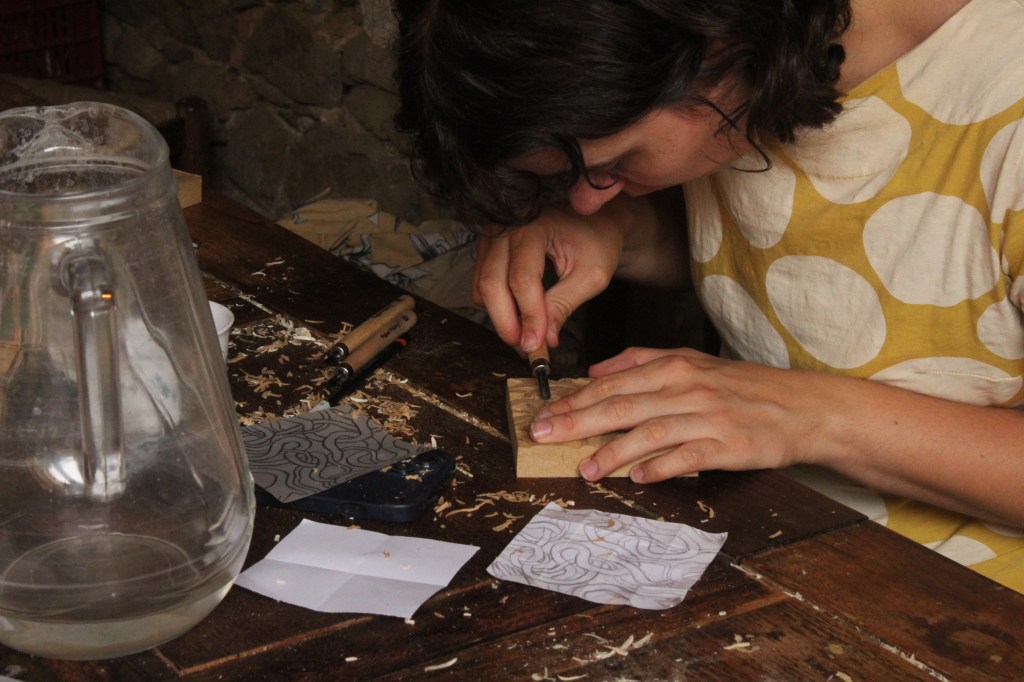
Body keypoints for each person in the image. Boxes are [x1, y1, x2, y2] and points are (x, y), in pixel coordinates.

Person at [393, 0, 1024, 590]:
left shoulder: (1006, 96)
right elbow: (792, 260)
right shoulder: (746, 72)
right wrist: (618, 230)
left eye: (613, 164)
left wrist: (813, 417)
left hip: (968, 601)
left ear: (712, 43)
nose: (584, 197)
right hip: (772, 531)